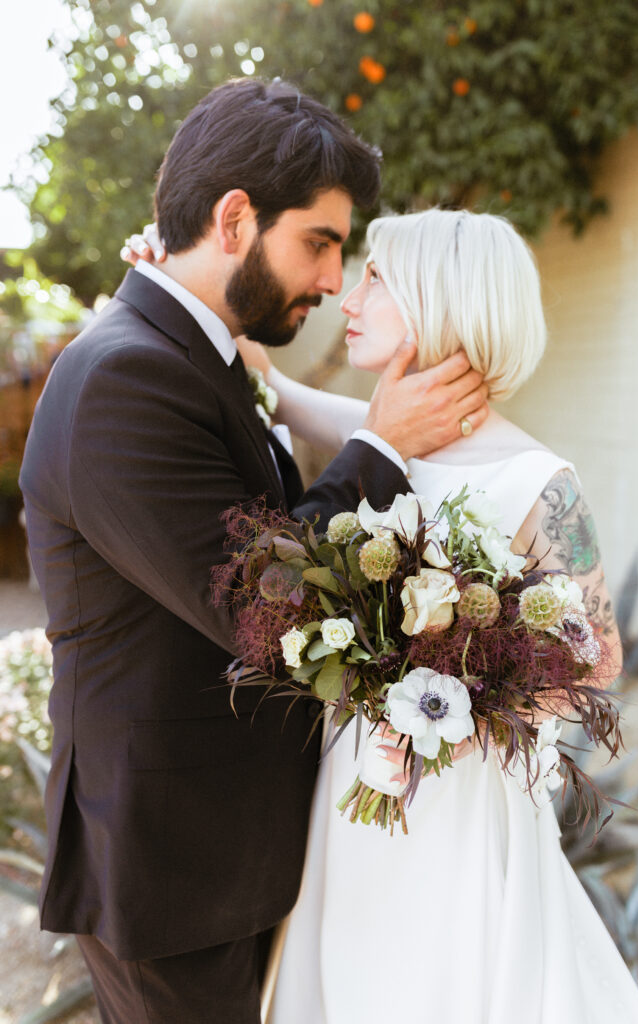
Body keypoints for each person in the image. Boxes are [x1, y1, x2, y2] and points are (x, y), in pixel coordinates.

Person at [19, 80, 489, 1024]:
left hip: (227, 853)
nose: (329, 280)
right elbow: (266, 605)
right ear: (234, 219)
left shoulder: (195, 355)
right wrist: (384, 449)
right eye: (317, 242)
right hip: (173, 876)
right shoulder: (126, 381)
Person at [222, 209, 638, 1023]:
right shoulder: (379, 440)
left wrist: (441, 716)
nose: (349, 299)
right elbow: (261, 380)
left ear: (437, 299)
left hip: (457, 808)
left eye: (374, 280)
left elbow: (596, 663)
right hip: (350, 790)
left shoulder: (538, 479)